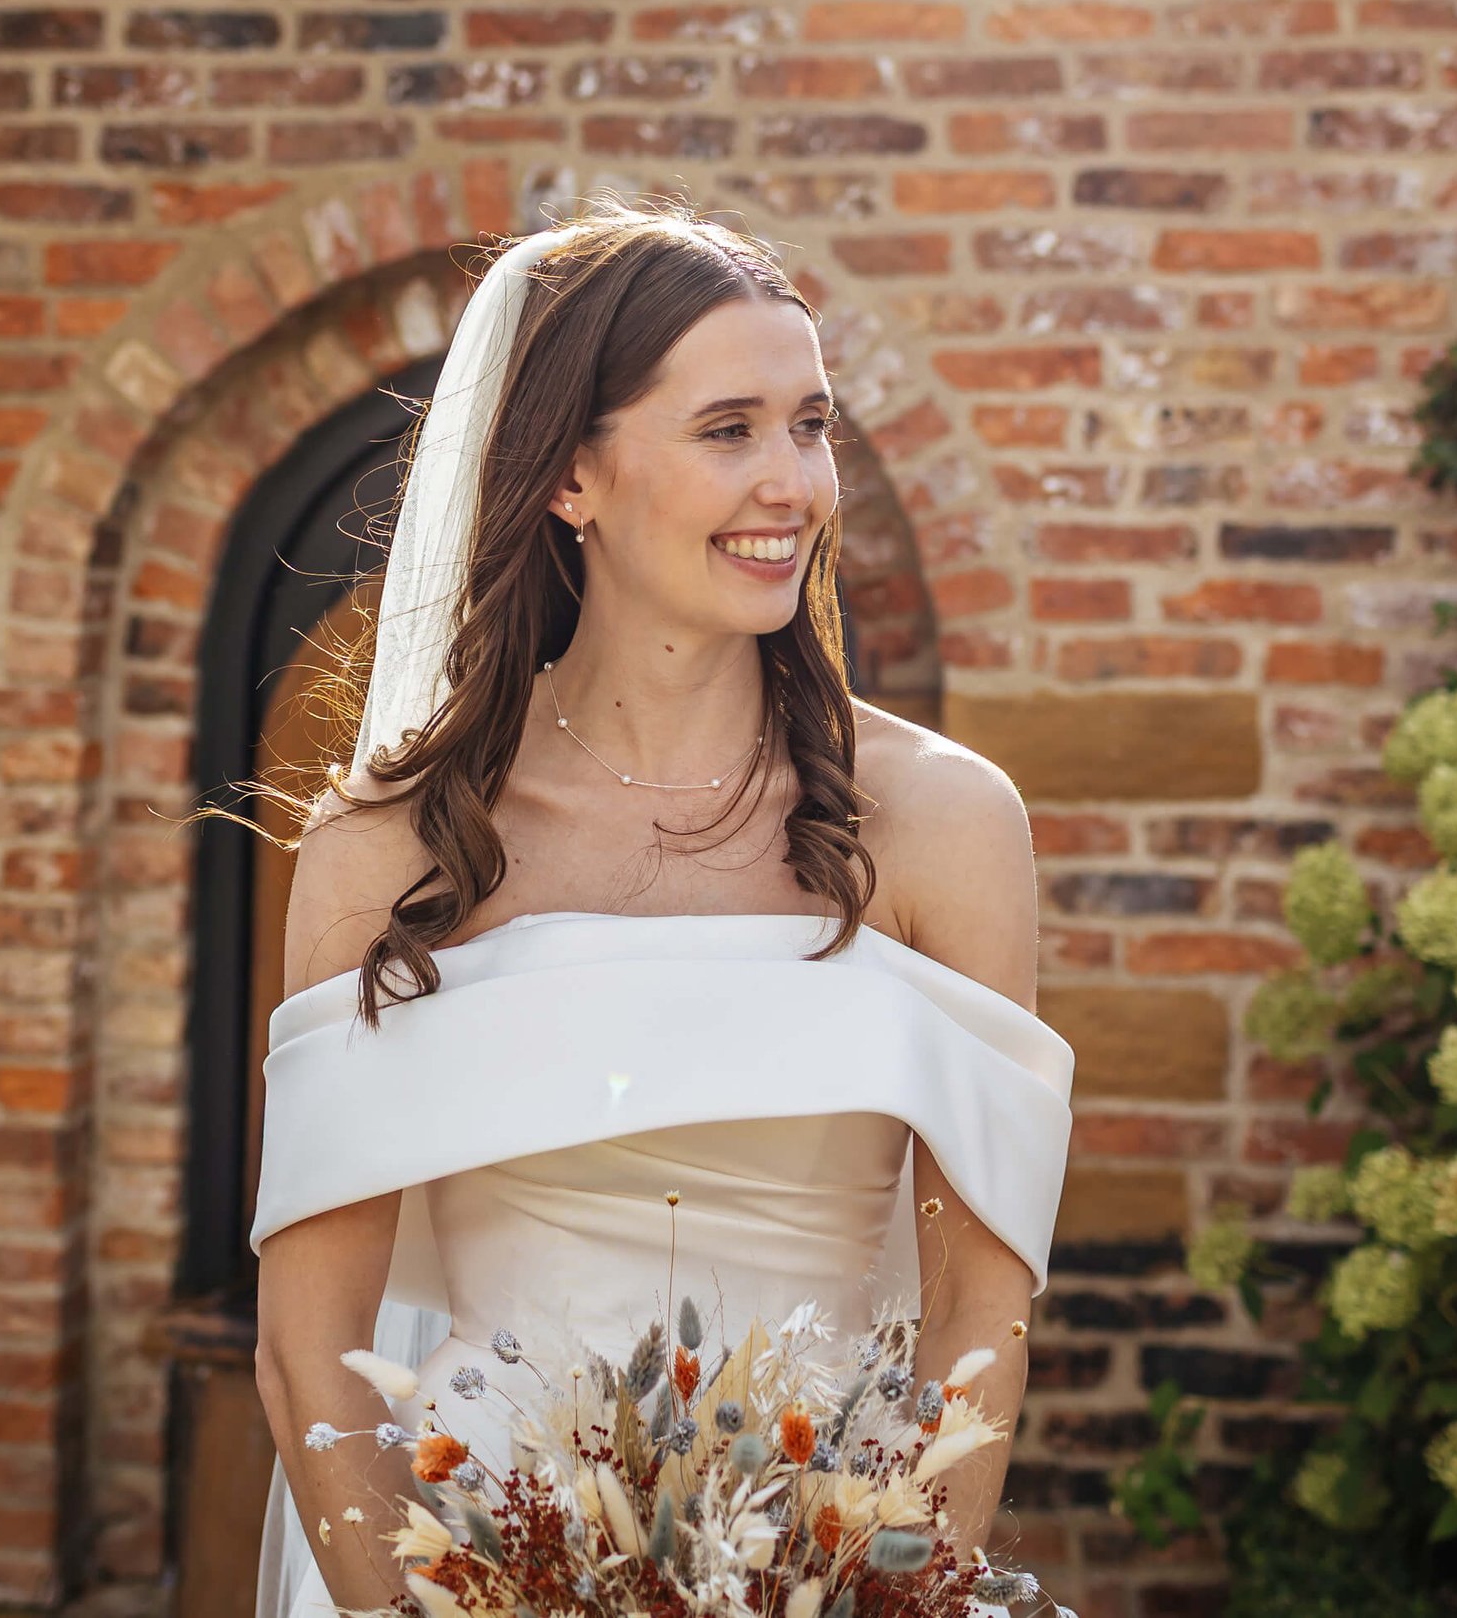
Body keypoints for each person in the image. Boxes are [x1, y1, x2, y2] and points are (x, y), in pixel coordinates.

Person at [242, 197, 1076, 1618]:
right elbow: (308, 1350)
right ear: (571, 477)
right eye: (728, 428)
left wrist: (873, 1596)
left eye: (810, 426)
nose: (794, 484)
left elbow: (975, 1327)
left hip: (819, 1570)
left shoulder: (944, 828)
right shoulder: (389, 850)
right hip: (471, 1563)